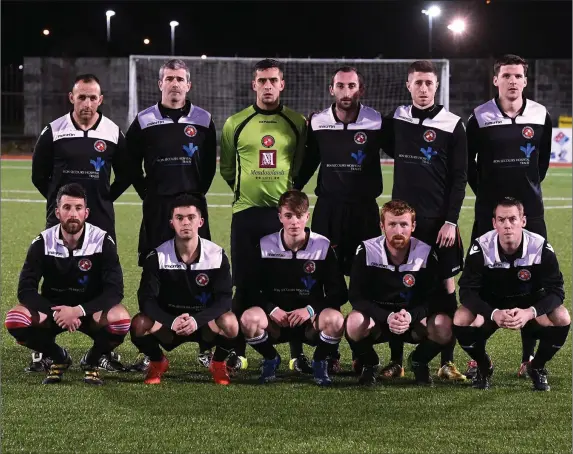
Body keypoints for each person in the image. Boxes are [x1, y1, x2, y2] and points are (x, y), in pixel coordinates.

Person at [29, 73, 130, 373]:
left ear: (101, 100)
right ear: (71, 98)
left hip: (100, 219)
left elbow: (126, 173)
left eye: (92, 97)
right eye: (81, 97)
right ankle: (42, 347)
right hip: (59, 221)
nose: (87, 103)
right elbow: (38, 175)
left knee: (102, 282)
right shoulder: (54, 131)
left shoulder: (112, 131)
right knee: (54, 277)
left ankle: (102, 351)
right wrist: (58, 205)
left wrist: (104, 197)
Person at [124, 58, 217, 371]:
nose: (175, 84)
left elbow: (208, 169)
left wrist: (191, 195)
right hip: (158, 208)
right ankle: (154, 346)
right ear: (160, 83)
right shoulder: (144, 120)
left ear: (188, 85)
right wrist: (148, 193)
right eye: (169, 79)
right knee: (154, 271)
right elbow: (129, 163)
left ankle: (206, 346)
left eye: (180, 79)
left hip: (192, 208)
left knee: (201, 271)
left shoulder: (203, 119)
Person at [466, 54, 553, 377]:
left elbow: (540, 163)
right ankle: (477, 357)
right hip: (489, 211)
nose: (512, 81)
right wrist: (486, 192)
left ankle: (528, 358)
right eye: (506, 76)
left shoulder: (541, 115)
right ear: (495, 80)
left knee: (535, 284)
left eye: (518, 76)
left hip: (530, 211)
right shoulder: (480, 116)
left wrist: (527, 188)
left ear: (525, 81)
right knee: (481, 280)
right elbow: (468, 164)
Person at [379, 60, 467, 381]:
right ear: (408, 85)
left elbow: (460, 178)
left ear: (436, 85)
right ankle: (397, 361)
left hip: (439, 225)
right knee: (399, 287)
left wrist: (451, 221)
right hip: (403, 223)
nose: (424, 89)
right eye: (417, 83)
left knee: (446, 289)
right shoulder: (397, 121)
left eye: (429, 83)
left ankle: (446, 361)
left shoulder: (452, 124)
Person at [293, 66, 384, 372]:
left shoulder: (376, 121)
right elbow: (308, 163)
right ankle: (329, 350)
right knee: (323, 280)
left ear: (362, 90)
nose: (347, 92)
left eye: (352, 86)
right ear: (331, 89)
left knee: (364, 279)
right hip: (328, 211)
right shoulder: (318, 121)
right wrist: (290, 189)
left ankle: (361, 351)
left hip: (364, 211)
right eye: (341, 86)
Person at [220, 59, 307, 374]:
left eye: (273, 80)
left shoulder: (297, 122)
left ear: (282, 84)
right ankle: (239, 352)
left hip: (281, 217)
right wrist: (246, 193)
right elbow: (227, 168)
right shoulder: (236, 123)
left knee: (291, 283)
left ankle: (297, 354)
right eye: (262, 81)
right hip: (246, 214)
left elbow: (299, 166)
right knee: (243, 284)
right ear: (253, 84)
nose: (267, 86)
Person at [4, 183, 130, 385]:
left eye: (78, 208)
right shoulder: (42, 242)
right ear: (57, 212)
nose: (73, 214)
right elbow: (25, 290)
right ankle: (58, 356)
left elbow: (115, 291)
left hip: (90, 311)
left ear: (86, 212)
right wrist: (55, 312)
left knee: (121, 319)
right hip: (54, 311)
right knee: (15, 319)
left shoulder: (102, 241)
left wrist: (79, 310)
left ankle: (92, 360)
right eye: (67, 208)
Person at [453, 197, 570, 391]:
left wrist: (530, 312)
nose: (507, 225)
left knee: (562, 316)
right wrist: (493, 313)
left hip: (529, 304)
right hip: (492, 305)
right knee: (461, 317)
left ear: (523, 221)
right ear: (494, 223)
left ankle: (537, 366)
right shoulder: (480, 247)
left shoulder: (540, 247)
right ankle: (484, 366)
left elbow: (557, 291)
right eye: (501, 220)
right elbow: (466, 292)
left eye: (513, 219)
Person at [240, 190, 347, 386]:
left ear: (307, 216)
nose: (294, 222)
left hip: (310, 322)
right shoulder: (265, 245)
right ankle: (271, 359)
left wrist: (311, 309)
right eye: (288, 216)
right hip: (276, 321)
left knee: (336, 319)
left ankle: (319, 362)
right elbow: (249, 289)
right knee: (249, 319)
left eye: (299, 216)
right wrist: (271, 308)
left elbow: (339, 292)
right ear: (280, 216)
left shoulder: (322, 246)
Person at [130, 194, 238, 385]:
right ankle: (157, 362)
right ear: (172, 222)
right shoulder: (158, 256)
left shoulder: (216, 255)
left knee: (230, 323)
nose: (185, 223)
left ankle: (218, 364)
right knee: (139, 324)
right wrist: (171, 321)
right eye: (179, 218)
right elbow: (146, 299)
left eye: (191, 217)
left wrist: (197, 321)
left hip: (204, 324)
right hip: (169, 324)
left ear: (200, 221)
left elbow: (225, 299)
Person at [346, 200, 453, 386]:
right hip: (379, 321)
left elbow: (436, 299)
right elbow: (356, 296)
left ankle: (419, 361)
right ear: (382, 226)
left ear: (413, 226)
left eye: (404, 224)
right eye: (392, 224)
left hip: (412, 321)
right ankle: (370, 363)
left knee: (444, 325)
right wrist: (386, 317)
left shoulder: (425, 252)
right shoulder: (367, 250)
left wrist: (411, 315)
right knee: (353, 322)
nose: (398, 230)